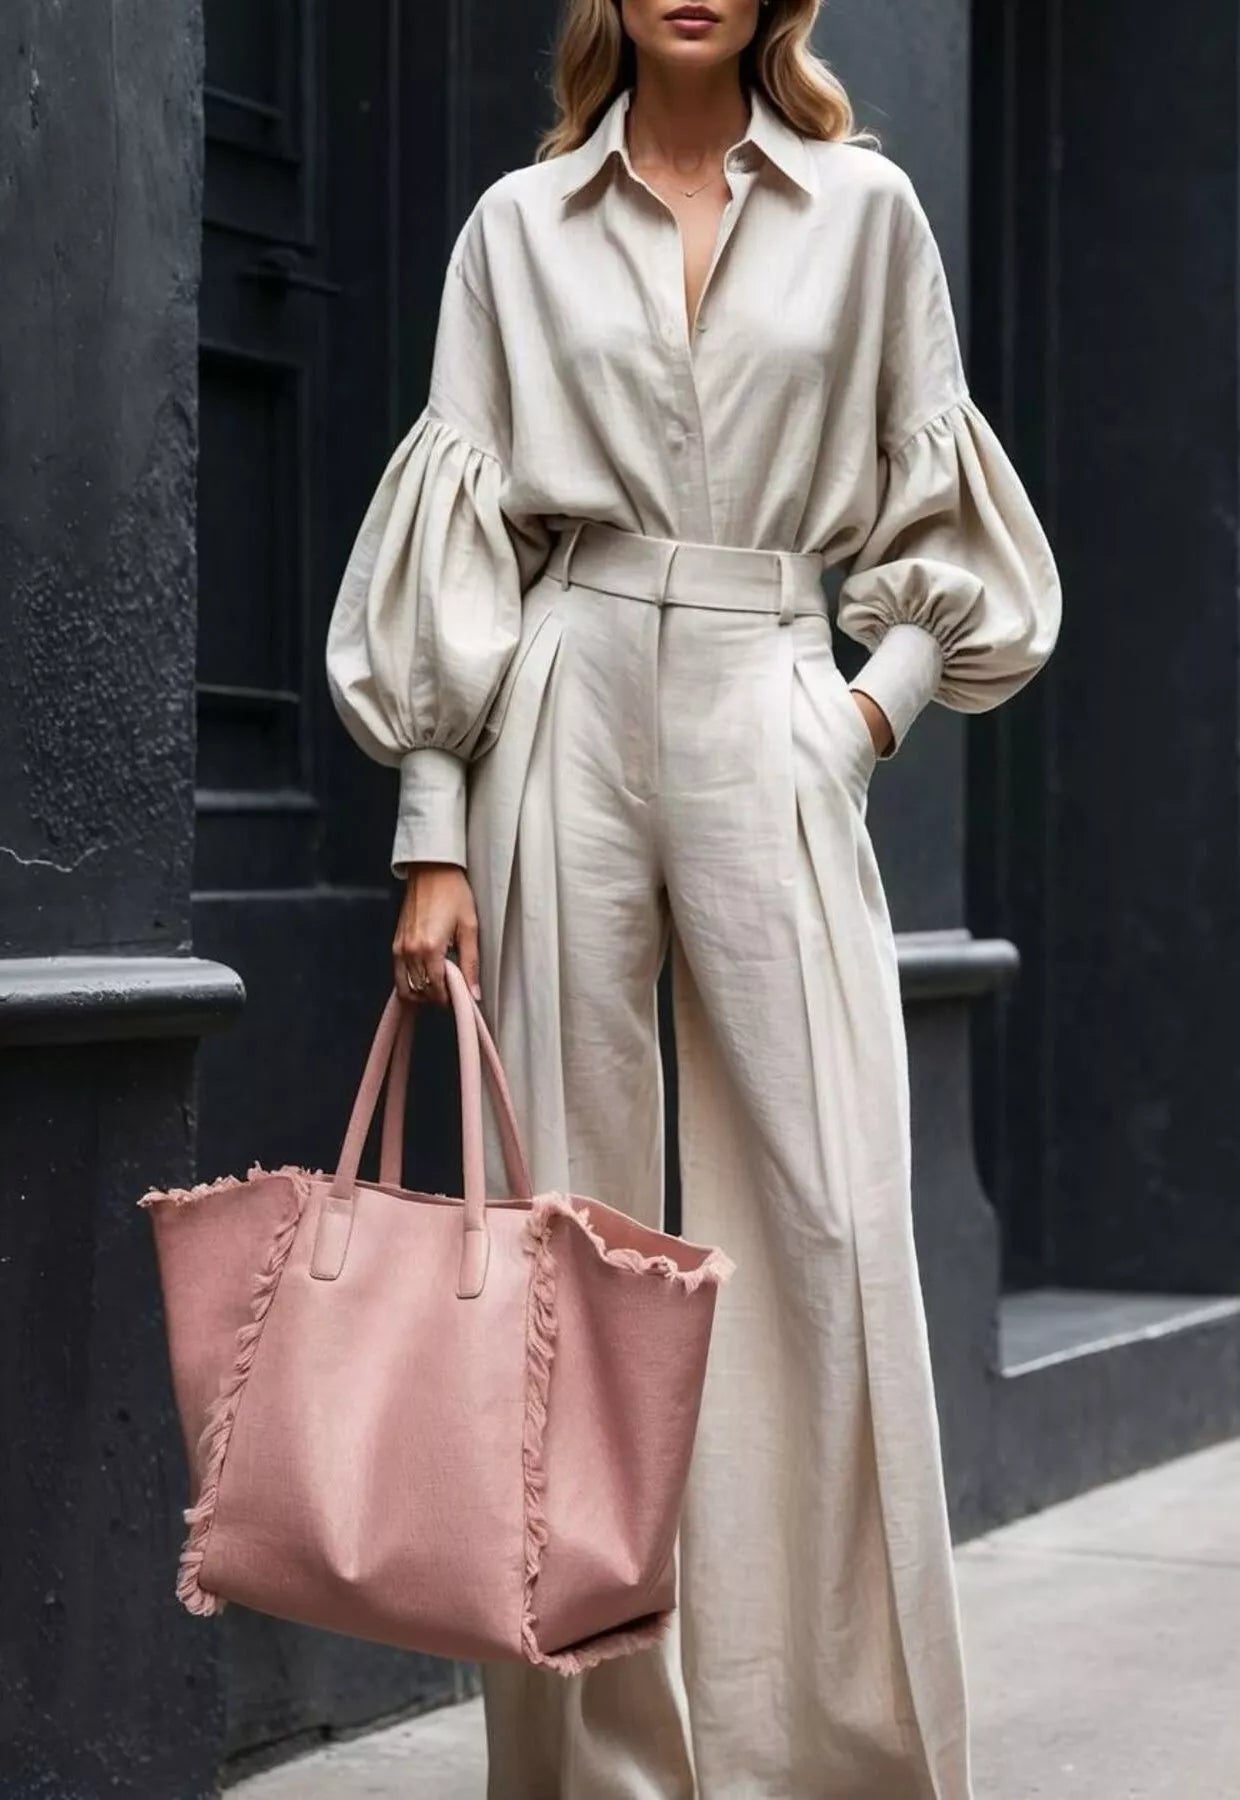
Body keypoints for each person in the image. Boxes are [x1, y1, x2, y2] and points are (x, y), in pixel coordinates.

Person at [325, 1, 1060, 1793]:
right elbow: (466, 526)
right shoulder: (514, 224)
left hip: (767, 682)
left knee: (823, 1222)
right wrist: (434, 824)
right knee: (562, 1244)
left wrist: (860, 711)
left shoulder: (864, 214)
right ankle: (599, 1772)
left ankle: (826, 1755)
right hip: (556, 698)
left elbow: (939, 507)